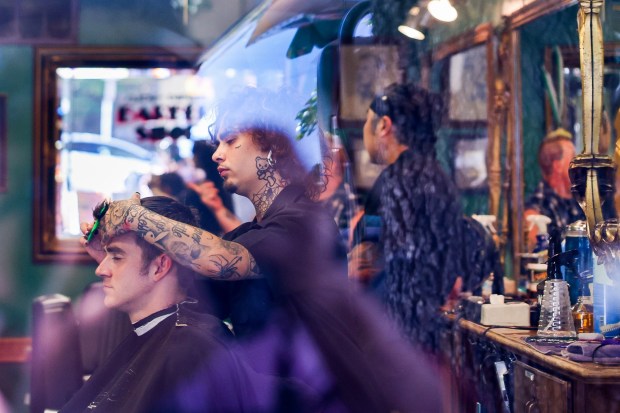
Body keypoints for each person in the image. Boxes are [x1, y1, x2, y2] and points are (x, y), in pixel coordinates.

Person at [95, 87, 449, 412]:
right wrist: (113, 254)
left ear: (272, 146)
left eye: (230, 140)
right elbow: (187, 278)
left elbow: (220, 261)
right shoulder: (260, 227)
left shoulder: (299, 224)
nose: (217, 154)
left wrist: (135, 217)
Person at [61, 196, 255, 413]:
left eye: (116, 257)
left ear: (160, 266)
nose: (100, 269)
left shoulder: (191, 352)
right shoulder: (163, 331)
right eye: (106, 255)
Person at [351, 83, 466, 352]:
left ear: (384, 126)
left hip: (388, 334)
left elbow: (362, 267)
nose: (364, 131)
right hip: (430, 333)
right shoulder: (440, 179)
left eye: (368, 122)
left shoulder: (390, 183)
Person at [524, 128, 585, 249]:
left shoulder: (579, 199)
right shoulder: (536, 209)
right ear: (558, 166)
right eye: (573, 159)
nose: (579, 166)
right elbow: (539, 260)